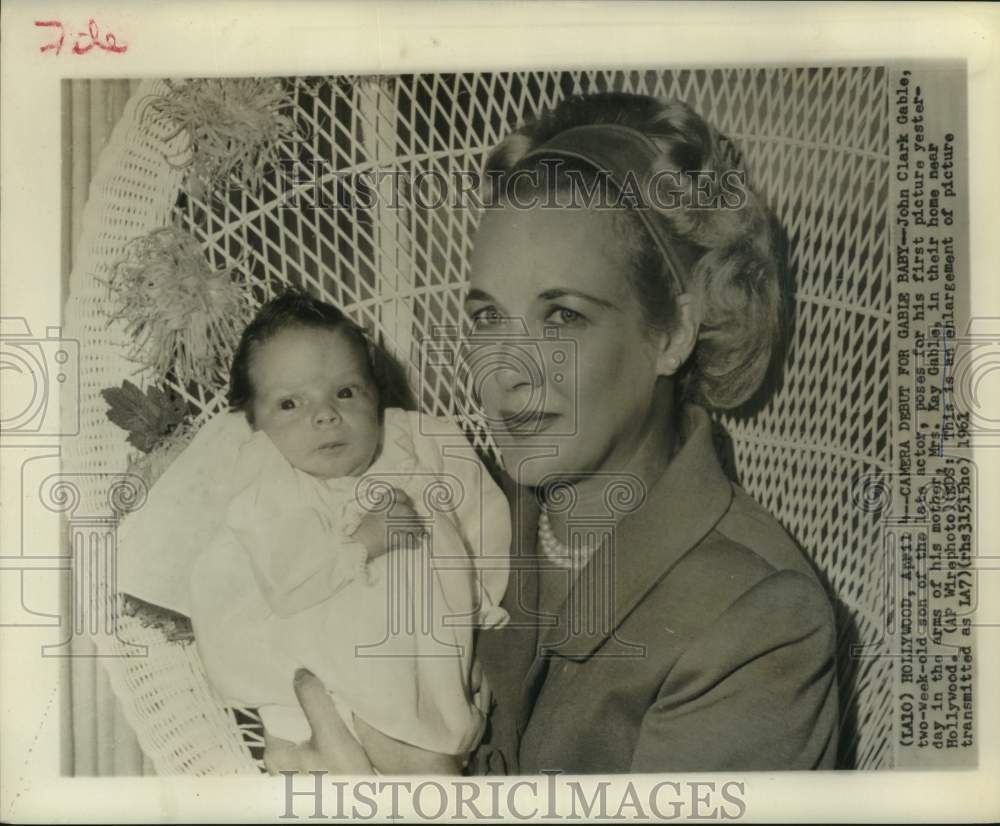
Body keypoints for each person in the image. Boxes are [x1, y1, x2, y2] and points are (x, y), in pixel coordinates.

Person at [272, 92, 839, 774]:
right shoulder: (462, 501)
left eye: (562, 317)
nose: (504, 375)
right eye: (487, 318)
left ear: (673, 332)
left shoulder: (759, 624)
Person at [175, 290, 511, 775]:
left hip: (431, 659)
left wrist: (481, 629)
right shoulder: (269, 477)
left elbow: (482, 524)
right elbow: (286, 581)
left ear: (376, 392)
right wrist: (361, 542)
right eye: (290, 404)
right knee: (419, 765)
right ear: (254, 424)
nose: (325, 415)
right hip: (322, 655)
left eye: (346, 392)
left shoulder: (420, 442)